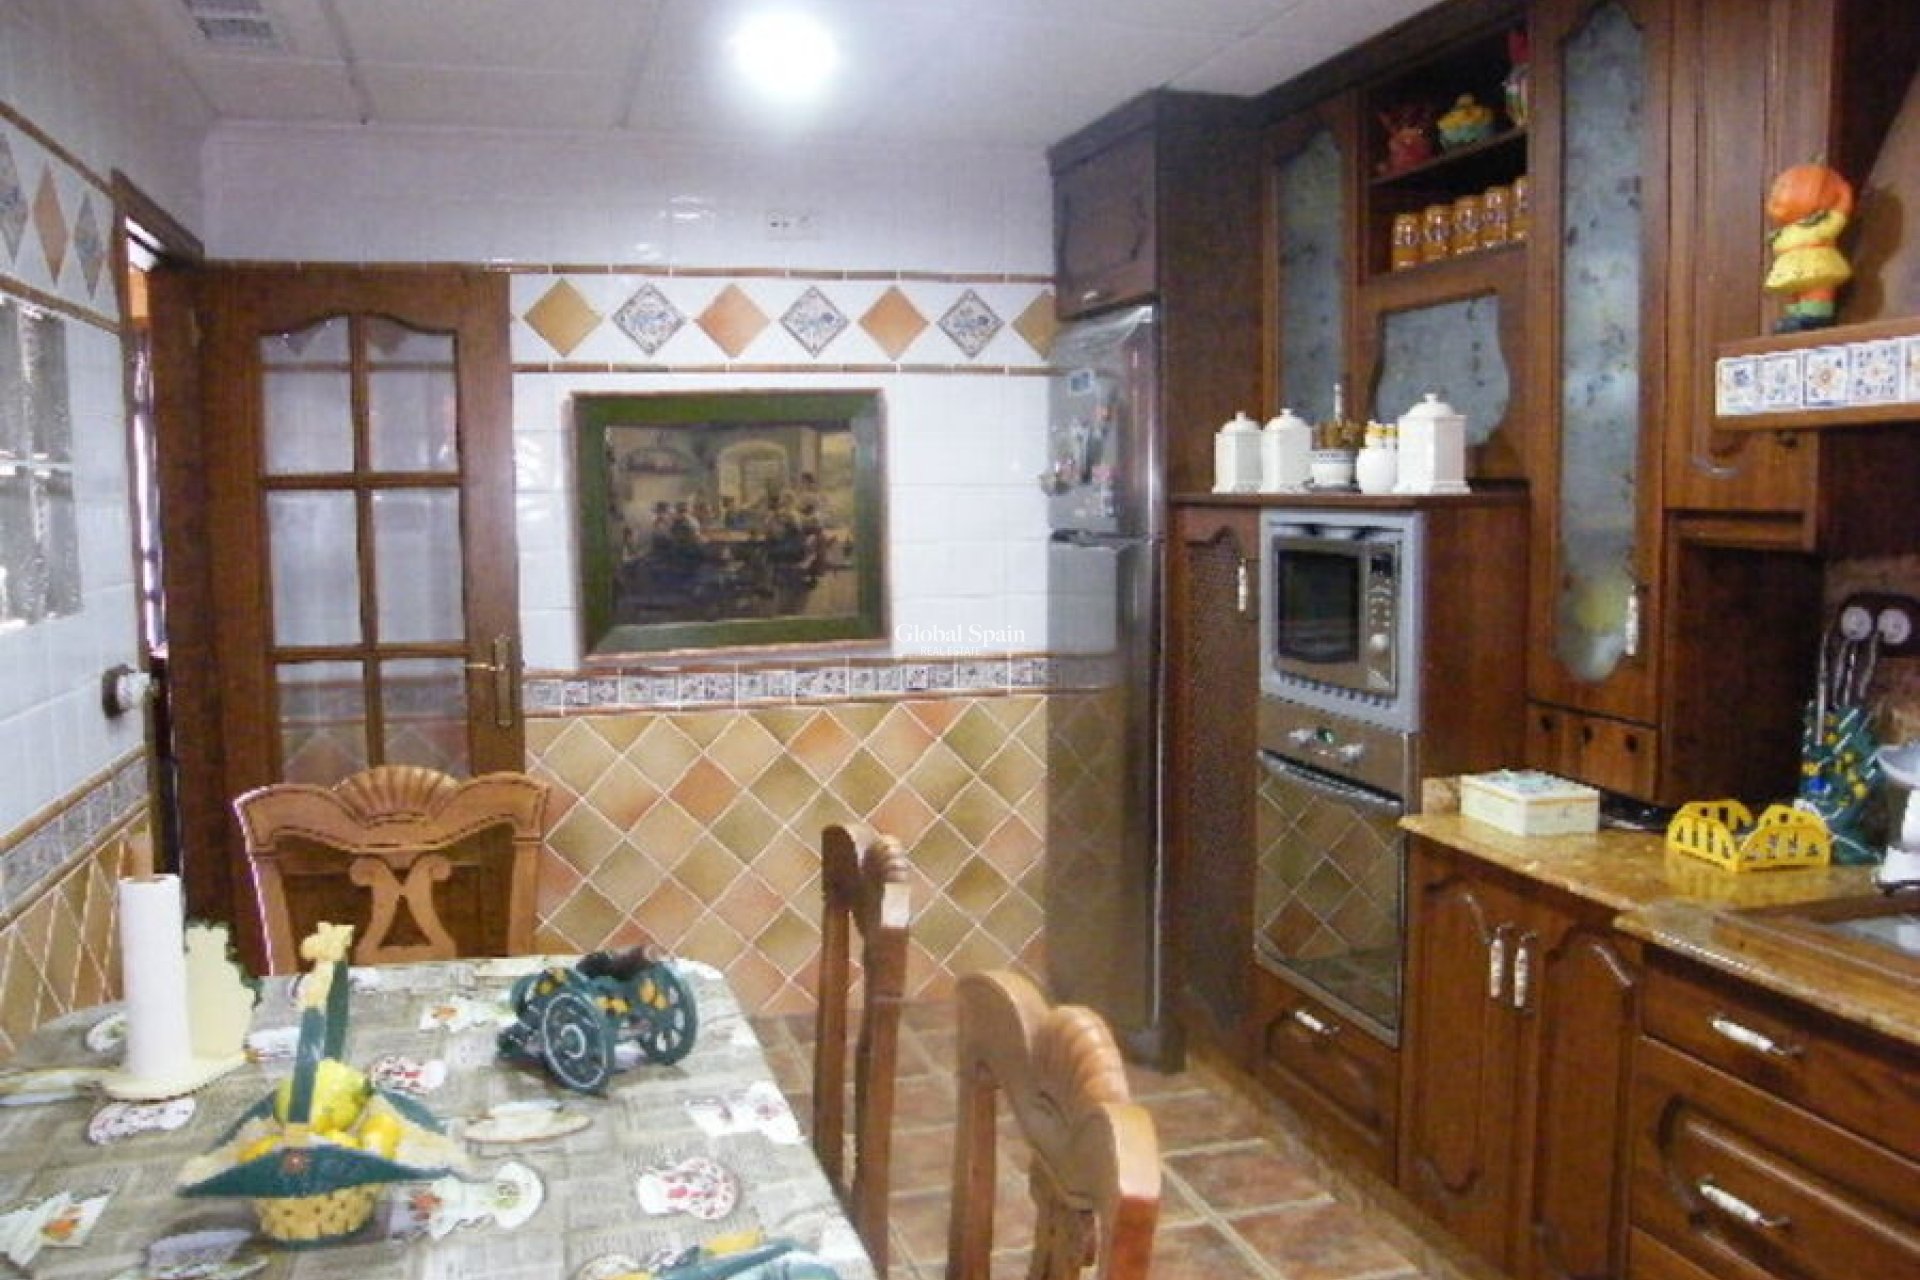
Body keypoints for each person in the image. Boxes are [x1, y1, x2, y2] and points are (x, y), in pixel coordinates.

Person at [1763, 162, 1855, 332]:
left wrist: (1843, 194)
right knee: (1795, 293)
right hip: (1792, 271)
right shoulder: (1788, 230)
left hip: (1816, 267)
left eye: (1784, 188)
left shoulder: (1818, 226)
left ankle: (1815, 316)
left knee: (1817, 289)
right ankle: (1796, 316)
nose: (1775, 195)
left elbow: (1839, 216)